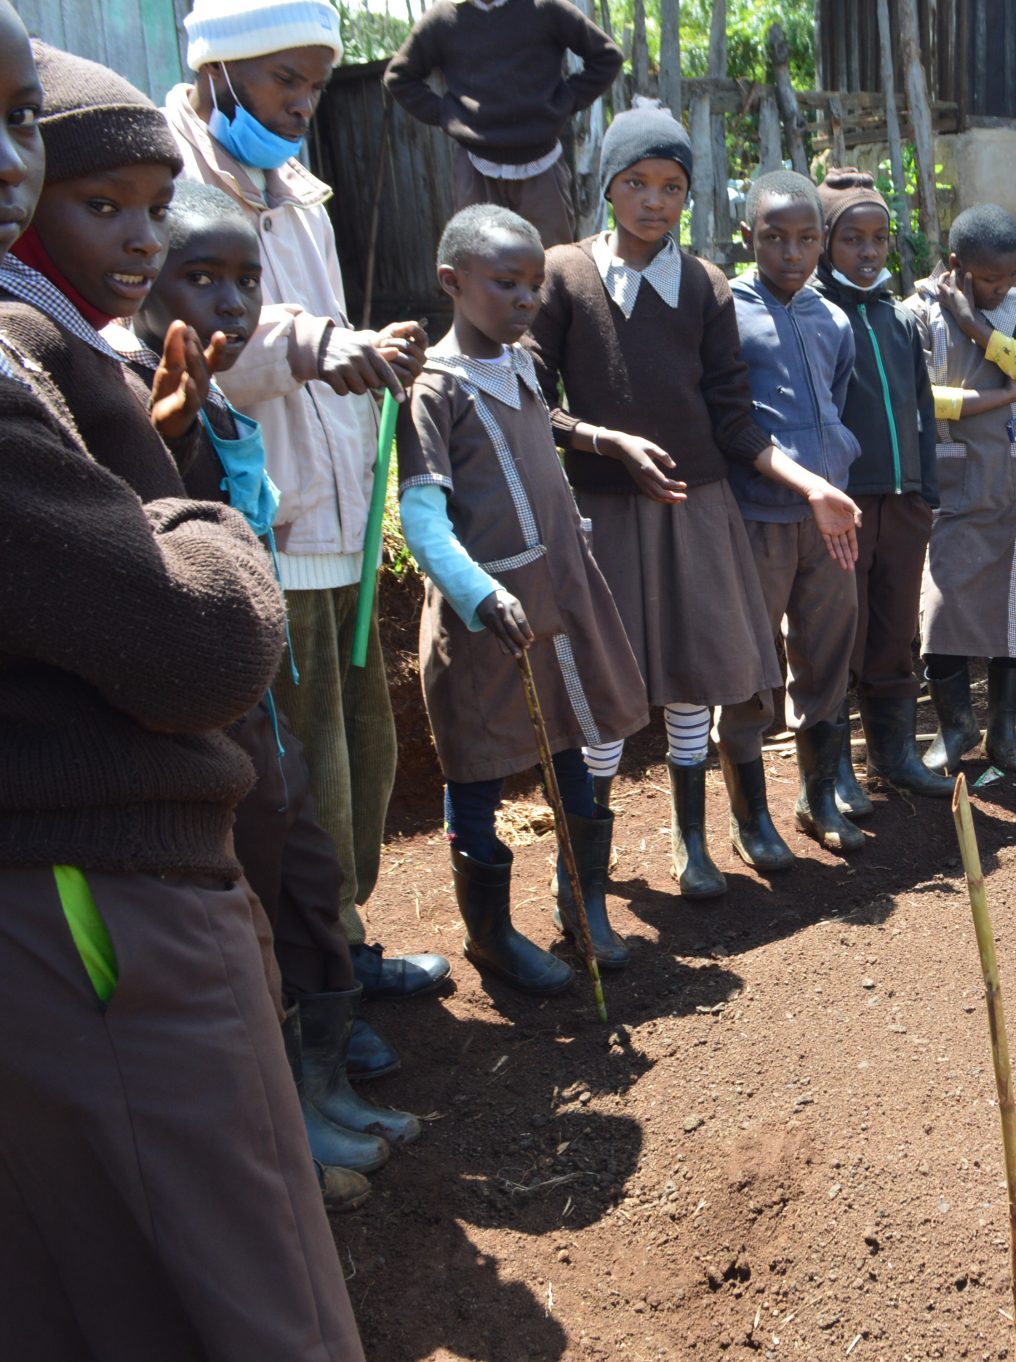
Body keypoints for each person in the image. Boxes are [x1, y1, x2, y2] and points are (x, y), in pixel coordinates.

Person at [0, 9, 365, 1352]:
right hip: (98, 899)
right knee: (238, 1278)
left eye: (20, 123)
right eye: (106, 205)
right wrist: (205, 524)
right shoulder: (25, 363)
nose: (146, 243)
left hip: (97, 890)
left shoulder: (75, 359)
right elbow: (203, 640)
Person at [111, 179, 421, 1187]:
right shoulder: (136, 400)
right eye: (200, 279)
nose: (230, 304)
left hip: (264, 692)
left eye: (247, 280)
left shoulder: (229, 409)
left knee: (311, 874)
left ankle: (322, 1089)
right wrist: (168, 441)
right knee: (259, 899)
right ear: (147, 284)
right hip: (213, 719)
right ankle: (287, 1126)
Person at [165, 0, 446, 1006]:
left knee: (362, 762)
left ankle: (348, 948)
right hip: (257, 531)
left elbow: (318, 329)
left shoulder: (300, 188)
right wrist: (323, 348)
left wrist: (361, 348)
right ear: (220, 70)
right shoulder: (172, 183)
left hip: (333, 520)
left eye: (314, 81)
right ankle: (309, 983)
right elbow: (205, 348)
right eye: (284, 77)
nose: (300, 101)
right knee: (300, 784)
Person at [530, 106, 847, 900]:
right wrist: (607, 444)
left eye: (671, 186)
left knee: (694, 676)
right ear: (608, 186)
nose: (654, 201)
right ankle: (584, 874)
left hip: (696, 508)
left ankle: (691, 843)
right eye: (635, 183)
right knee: (607, 688)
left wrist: (811, 485)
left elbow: (732, 415)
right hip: (606, 512)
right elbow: (533, 398)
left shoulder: (705, 285)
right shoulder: (564, 273)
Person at [398, 205, 649, 986]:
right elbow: (420, 516)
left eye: (535, 285)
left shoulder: (524, 366)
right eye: (507, 283)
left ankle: (585, 903)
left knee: (571, 743)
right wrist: (478, 593)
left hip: (559, 597)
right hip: (487, 620)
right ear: (454, 282)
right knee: (477, 770)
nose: (526, 300)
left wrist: (603, 441)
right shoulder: (432, 390)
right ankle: (492, 936)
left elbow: (551, 433)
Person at [724, 169, 867, 862]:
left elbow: (834, 404)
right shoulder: (726, 313)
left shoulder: (831, 317)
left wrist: (829, 476)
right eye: (775, 238)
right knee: (753, 663)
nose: (791, 253)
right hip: (759, 516)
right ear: (747, 236)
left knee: (827, 653)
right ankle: (751, 818)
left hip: (829, 521)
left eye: (807, 239)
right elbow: (730, 420)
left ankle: (818, 799)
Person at [811, 168, 952, 798]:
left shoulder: (898, 319)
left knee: (896, 628)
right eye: (851, 240)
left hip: (904, 502)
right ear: (822, 244)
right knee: (848, 631)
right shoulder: (815, 316)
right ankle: (834, 769)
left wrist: (925, 489)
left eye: (879, 239)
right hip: (848, 504)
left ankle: (894, 754)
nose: (868, 253)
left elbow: (921, 405)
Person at [908, 203, 1016, 773]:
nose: (1002, 289)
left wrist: (976, 325)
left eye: (1010, 278)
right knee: (942, 608)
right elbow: (925, 397)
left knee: (1012, 610)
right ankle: (956, 724)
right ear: (957, 266)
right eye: (989, 280)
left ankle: (1003, 728)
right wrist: (999, 396)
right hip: (956, 483)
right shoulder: (918, 312)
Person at [385, 0, 622, 247]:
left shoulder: (546, 9)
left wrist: (565, 101)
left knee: (552, 261)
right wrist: (448, 114)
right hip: (476, 166)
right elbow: (399, 77)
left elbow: (607, 57)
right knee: (479, 259)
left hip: (541, 163)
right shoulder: (444, 19)